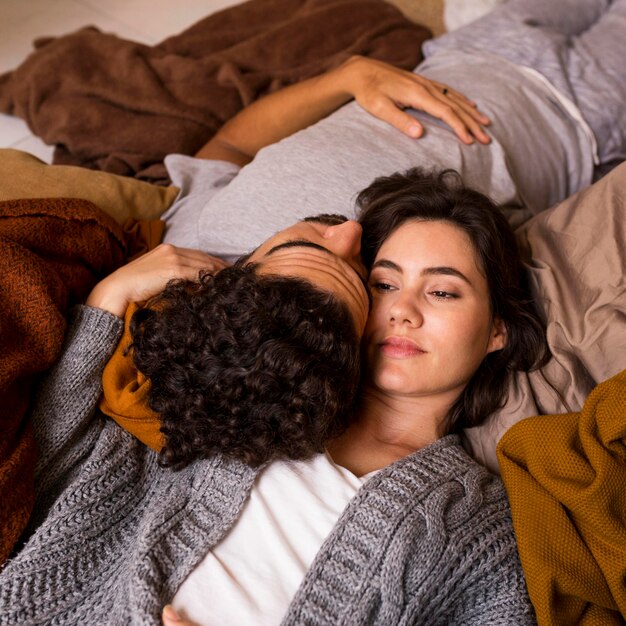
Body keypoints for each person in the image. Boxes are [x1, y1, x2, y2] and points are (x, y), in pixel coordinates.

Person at [0, 168, 541, 625]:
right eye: (383, 284)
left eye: (443, 291)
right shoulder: (234, 402)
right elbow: (45, 471)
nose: (404, 310)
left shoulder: (480, 526)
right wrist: (108, 297)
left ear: (497, 331)